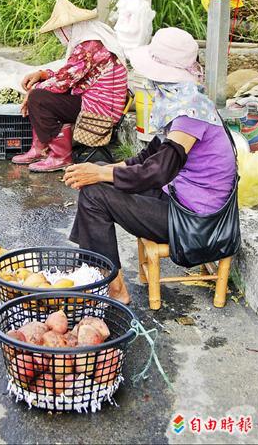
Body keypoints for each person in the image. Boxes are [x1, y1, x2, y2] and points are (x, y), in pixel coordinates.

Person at [64, 27, 237, 304]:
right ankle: (97, 271)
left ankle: (112, 286)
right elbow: (148, 157)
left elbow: (158, 171)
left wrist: (102, 173)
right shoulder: (185, 102)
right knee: (96, 184)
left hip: (196, 223)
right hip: (180, 201)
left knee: (95, 195)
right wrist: (100, 172)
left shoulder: (191, 112)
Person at [12, 0, 128, 172]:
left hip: (100, 110)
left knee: (38, 97)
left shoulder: (90, 45)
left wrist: (32, 93)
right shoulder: (92, 40)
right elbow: (69, 75)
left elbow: (64, 81)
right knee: (40, 92)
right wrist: (43, 75)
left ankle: (60, 156)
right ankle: (41, 148)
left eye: (61, 30)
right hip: (98, 101)